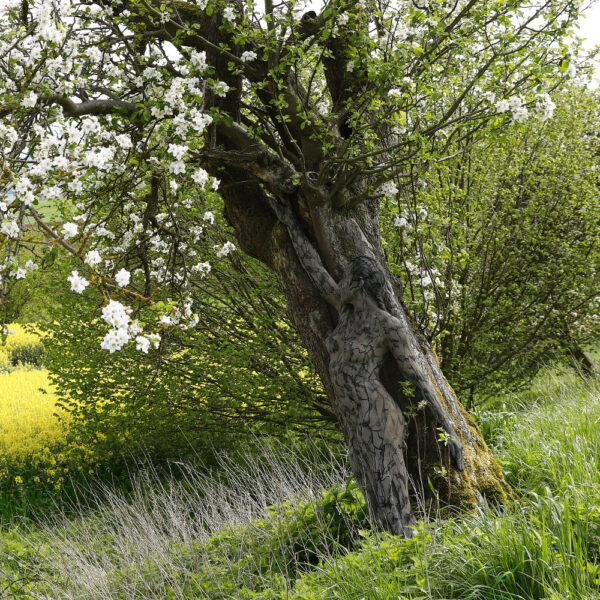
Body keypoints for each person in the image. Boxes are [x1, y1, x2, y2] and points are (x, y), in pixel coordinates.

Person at [270, 197, 464, 534]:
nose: (338, 281)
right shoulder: (345, 311)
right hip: (354, 419)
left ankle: (410, 554)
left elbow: (418, 379)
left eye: (344, 277)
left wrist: (449, 428)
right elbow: (314, 269)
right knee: (372, 495)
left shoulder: (388, 326)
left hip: (378, 418)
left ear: (358, 284)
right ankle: (391, 559)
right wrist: (289, 222)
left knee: (392, 497)